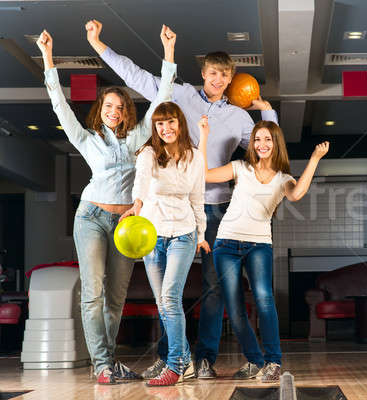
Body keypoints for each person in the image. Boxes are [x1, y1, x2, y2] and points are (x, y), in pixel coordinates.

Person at [85, 19, 278, 379]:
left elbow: (268, 145)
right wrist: (99, 46)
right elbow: (138, 76)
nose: (217, 80)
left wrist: (265, 111)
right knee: (167, 292)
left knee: (213, 288)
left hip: (217, 210)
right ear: (203, 73)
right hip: (167, 209)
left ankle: (203, 358)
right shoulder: (182, 94)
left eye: (224, 75)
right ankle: (172, 355)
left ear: (231, 78)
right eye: (212, 73)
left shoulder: (239, 118)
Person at [36, 26, 177, 384]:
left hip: (127, 223)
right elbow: (58, 103)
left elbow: (161, 98)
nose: (114, 111)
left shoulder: (138, 136)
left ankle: (107, 362)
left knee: (115, 297)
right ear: (102, 109)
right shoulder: (85, 138)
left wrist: (168, 52)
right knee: (93, 291)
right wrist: (49, 58)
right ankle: (101, 365)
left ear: (127, 110)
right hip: (92, 218)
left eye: (120, 106)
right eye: (109, 106)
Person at [198, 118, 329, 382]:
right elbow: (204, 174)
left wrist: (315, 158)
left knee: (264, 300)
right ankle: (256, 361)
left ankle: (273, 362)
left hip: (259, 245)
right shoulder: (241, 167)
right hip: (225, 244)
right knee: (235, 310)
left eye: (267, 139)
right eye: (257, 139)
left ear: (276, 143)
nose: (261, 144)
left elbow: (297, 194)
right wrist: (203, 136)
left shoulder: (283, 179)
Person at [121, 102, 210, 386]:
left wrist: (202, 233)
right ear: (155, 128)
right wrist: (136, 204)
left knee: (170, 298)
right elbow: (142, 182)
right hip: (152, 235)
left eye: (171, 122)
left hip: (184, 234)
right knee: (163, 302)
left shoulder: (194, 157)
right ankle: (185, 360)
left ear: (180, 124)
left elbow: (198, 197)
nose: (166, 128)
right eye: (160, 124)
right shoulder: (148, 153)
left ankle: (176, 366)